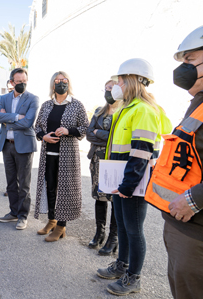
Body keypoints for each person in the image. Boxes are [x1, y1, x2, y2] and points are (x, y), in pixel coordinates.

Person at [96, 58, 172, 296]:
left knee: (134, 229)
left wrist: (128, 185)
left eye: (120, 79)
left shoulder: (144, 110)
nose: (117, 84)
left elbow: (141, 152)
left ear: (133, 80)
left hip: (133, 182)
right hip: (122, 181)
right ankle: (122, 265)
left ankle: (134, 277)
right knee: (124, 227)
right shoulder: (127, 108)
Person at [159, 26, 203, 299]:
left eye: (189, 60)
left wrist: (194, 200)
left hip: (196, 229)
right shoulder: (197, 103)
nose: (183, 69)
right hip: (182, 224)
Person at [34, 71, 89, 241]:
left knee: (64, 190)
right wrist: (43, 136)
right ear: (53, 85)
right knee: (50, 188)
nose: (61, 83)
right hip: (48, 154)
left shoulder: (76, 105)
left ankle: (61, 227)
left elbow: (85, 127)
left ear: (68, 83)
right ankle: (52, 220)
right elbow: (37, 127)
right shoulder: (46, 105)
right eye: (57, 80)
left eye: (64, 80)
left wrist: (68, 130)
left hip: (68, 156)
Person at [0, 68, 39, 230]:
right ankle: (13, 212)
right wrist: (15, 117)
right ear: (12, 82)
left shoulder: (33, 99)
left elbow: (27, 123)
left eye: (24, 81)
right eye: (18, 82)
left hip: (24, 146)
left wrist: (6, 119)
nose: (22, 84)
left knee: (24, 184)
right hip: (7, 145)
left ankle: (23, 216)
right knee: (11, 182)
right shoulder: (4, 98)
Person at [86, 80, 119, 255]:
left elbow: (118, 137)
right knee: (99, 197)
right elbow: (88, 134)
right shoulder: (99, 111)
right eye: (107, 89)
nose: (109, 92)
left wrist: (100, 133)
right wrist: (103, 136)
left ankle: (113, 238)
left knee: (114, 198)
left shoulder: (124, 111)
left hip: (115, 160)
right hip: (97, 160)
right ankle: (99, 233)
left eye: (113, 89)